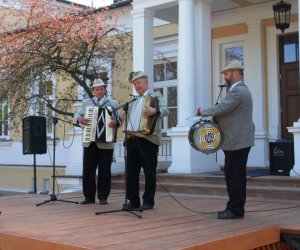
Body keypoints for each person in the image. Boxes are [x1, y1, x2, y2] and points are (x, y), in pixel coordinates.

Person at [196, 60, 255, 219]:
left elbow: (223, 108)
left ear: (236, 73)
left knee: (234, 176)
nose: (225, 77)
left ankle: (235, 209)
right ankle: (234, 206)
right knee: (234, 175)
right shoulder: (239, 91)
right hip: (237, 141)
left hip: (237, 141)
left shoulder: (238, 92)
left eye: (227, 74)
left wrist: (203, 111)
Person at [121, 71, 168, 210]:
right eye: (134, 84)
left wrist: (155, 110)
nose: (136, 86)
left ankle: (148, 201)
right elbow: (129, 117)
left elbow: (166, 110)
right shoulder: (133, 100)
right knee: (131, 173)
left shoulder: (156, 95)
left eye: (139, 83)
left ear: (146, 82)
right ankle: (133, 201)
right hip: (132, 138)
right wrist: (123, 115)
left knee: (149, 172)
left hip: (148, 139)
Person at [74, 78, 120, 205]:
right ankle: (88, 197)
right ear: (93, 91)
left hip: (106, 142)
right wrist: (79, 119)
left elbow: (119, 119)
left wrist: (116, 122)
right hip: (89, 141)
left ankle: (103, 197)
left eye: (101, 89)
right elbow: (76, 115)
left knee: (105, 170)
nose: (99, 91)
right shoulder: (86, 103)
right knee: (88, 169)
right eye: (96, 89)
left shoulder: (113, 103)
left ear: (105, 90)